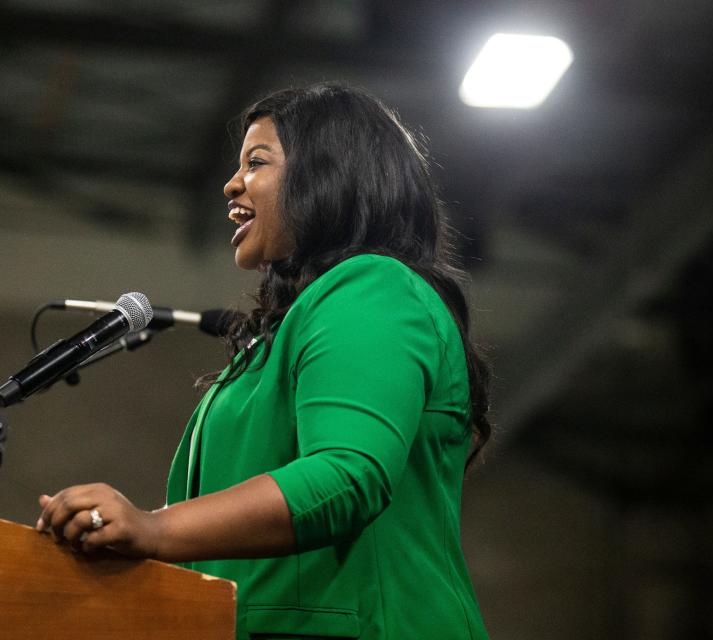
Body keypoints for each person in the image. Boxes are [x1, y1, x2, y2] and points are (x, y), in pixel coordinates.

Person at [36, 84, 492, 640]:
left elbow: (346, 476)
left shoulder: (374, 288)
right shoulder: (284, 333)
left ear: (330, 173)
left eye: (257, 162)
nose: (232, 183)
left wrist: (154, 528)